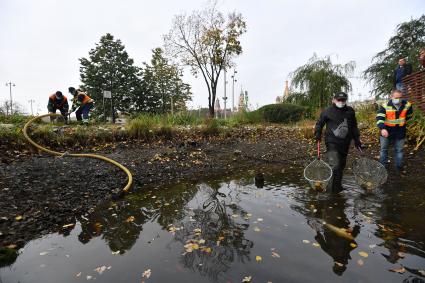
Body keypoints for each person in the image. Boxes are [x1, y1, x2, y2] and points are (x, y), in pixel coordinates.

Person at [314, 92, 362, 193]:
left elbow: (354, 126)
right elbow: (320, 123)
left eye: (343, 100)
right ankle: (330, 188)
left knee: (341, 165)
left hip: (345, 142)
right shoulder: (327, 111)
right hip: (331, 141)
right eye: (339, 100)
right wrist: (317, 134)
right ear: (334, 100)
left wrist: (357, 140)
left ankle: (338, 187)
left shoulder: (350, 111)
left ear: (346, 100)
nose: (341, 102)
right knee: (334, 164)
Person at [376, 89, 413, 172]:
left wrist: (402, 122)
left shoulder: (407, 105)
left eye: (400, 98)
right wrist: (382, 128)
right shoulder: (385, 106)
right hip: (386, 131)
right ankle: (382, 167)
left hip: (400, 131)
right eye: (396, 98)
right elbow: (379, 118)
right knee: (384, 149)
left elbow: (409, 115)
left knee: (399, 150)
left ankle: (399, 167)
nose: (398, 100)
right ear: (391, 97)